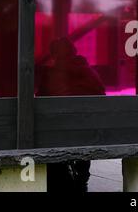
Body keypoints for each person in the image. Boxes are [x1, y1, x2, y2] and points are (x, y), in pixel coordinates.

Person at [37, 37, 105, 192]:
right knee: (81, 133)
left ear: (54, 54)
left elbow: (42, 104)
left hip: (60, 133)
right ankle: (81, 178)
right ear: (73, 51)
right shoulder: (89, 72)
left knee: (51, 134)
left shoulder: (52, 75)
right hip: (89, 132)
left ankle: (61, 180)